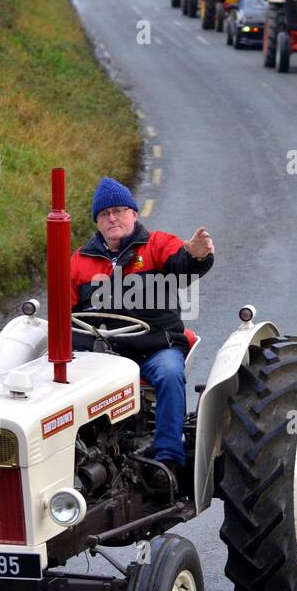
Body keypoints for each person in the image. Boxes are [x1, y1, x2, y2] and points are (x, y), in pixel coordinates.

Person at [69, 177, 215, 479]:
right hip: (102, 354)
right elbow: (66, 316)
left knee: (170, 374)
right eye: (105, 214)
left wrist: (197, 255)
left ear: (134, 214)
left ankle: (168, 460)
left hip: (156, 347)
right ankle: (79, 459)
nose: (112, 218)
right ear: (97, 221)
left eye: (119, 211)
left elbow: (182, 264)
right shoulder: (79, 261)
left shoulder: (157, 245)